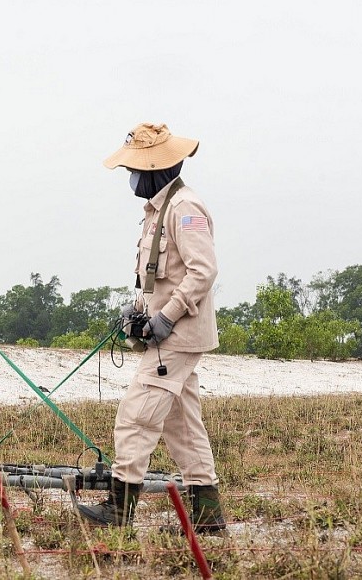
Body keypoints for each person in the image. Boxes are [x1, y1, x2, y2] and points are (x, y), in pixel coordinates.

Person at [76, 123, 226, 534]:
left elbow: (203, 270)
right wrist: (140, 309)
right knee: (182, 424)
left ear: (156, 169)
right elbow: (162, 274)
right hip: (169, 333)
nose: (132, 179)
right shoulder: (158, 209)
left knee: (135, 416)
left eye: (136, 170)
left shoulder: (184, 208)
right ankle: (208, 516)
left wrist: (166, 316)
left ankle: (120, 508)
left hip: (178, 337)